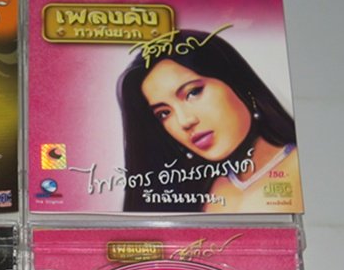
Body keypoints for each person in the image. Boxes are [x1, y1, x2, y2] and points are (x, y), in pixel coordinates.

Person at [117, 30, 302, 212]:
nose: (184, 121)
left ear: (239, 83)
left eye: (193, 93)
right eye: (164, 113)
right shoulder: (190, 192)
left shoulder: (303, 167)